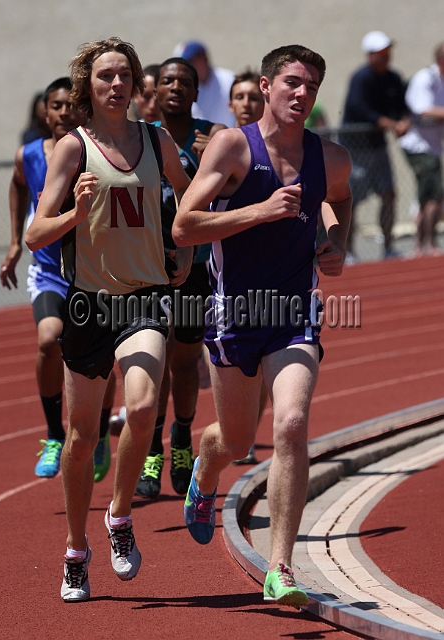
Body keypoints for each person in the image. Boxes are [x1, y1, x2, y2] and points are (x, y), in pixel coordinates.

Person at [173, 44, 352, 607]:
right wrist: (259, 211)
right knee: (234, 438)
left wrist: (336, 243)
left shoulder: (333, 158)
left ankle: (281, 567)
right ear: (268, 85)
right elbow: (184, 227)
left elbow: (340, 200)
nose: (303, 95)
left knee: (292, 422)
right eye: (293, 83)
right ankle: (206, 466)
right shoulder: (232, 145)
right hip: (236, 316)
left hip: (295, 310)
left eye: (312, 87)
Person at [25, 37, 191, 602]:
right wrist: (77, 209)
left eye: (124, 75)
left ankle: (119, 515)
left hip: (145, 295)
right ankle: (76, 549)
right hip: (89, 303)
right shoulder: (72, 150)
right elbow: (34, 234)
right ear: (87, 88)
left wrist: (186, 250)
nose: (116, 85)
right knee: (80, 436)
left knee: (143, 406)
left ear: (135, 82)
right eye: (104, 78)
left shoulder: (155, 139)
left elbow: (187, 198)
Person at [0, 76, 115, 482]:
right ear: (44, 111)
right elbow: (17, 187)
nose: (64, 111)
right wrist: (15, 242)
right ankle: (53, 435)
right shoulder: (28, 155)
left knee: (103, 360)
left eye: (71, 104)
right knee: (49, 340)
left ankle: (100, 435)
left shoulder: (96, 153)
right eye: (56, 105)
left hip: (95, 273)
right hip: (50, 272)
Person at [135, 57, 225, 499]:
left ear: (194, 92)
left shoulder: (213, 136)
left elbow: (230, 191)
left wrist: (212, 157)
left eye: (183, 82)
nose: (174, 87)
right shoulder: (140, 137)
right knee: (155, 356)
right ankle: (153, 448)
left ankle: (184, 436)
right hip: (148, 265)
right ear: (155, 89)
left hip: (196, 265)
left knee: (185, 360)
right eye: (167, 81)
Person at [342, 30, 410, 260]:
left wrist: (404, 122)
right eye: (381, 52)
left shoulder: (393, 78)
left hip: (379, 147)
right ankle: (349, 251)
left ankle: (388, 247)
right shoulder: (360, 78)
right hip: (356, 149)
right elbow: (360, 109)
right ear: (370, 55)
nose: (386, 56)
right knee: (350, 200)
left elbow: (402, 106)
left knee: (389, 193)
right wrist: (392, 124)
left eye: (387, 51)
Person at [228, 68, 266, 465]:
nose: (247, 104)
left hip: (273, 272)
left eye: (253, 97)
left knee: (268, 363)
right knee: (237, 367)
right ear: (230, 103)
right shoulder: (221, 144)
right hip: (222, 270)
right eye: (240, 97)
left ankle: (249, 434)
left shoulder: (283, 146)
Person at [399, 42, 444, 255]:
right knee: (434, 195)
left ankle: (423, 246)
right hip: (418, 147)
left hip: (433, 147)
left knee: (428, 197)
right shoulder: (425, 79)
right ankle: (426, 245)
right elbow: (422, 109)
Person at [173, 40, 236, 127]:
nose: (186, 67)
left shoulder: (229, 80)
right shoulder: (182, 89)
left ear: (204, 58)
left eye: (191, 61)